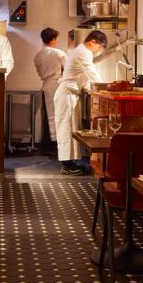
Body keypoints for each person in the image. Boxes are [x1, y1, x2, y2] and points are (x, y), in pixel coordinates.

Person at [54, 30, 107, 175]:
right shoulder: (84, 52)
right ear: (93, 42)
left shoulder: (82, 51)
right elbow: (92, 73)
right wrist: (105, 87)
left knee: (71, 128)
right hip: (66, 94)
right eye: (100, 46)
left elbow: (83, 77)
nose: (99, 50)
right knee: (66, 128)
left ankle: (71, 163)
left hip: (70, 94)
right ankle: (67, 165)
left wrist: (93, 88)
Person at [33, 27, 67, 145]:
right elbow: (67, 70)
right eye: (56, 39)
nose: (56, 41)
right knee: (58, 115)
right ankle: (57, 145)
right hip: (57, 85)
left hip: (46, 86)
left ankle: (48, 145)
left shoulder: (37, 56)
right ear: (52, 40)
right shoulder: (59, 53)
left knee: (47, 116)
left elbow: (39, 72)